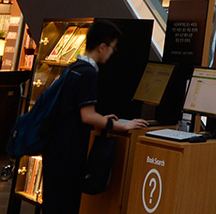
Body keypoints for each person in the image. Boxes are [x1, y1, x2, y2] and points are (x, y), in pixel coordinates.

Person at [40, 20, 148, 214]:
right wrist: (120, 126)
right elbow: (87, 116)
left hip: (54, 149)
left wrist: (101, 117)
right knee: (66, 206)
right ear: (102, 46)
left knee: (53, 205)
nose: (112, 52)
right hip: (68, 153)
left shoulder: (73, 68)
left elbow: (73, 110)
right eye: (112, 47)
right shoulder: (89, 74)